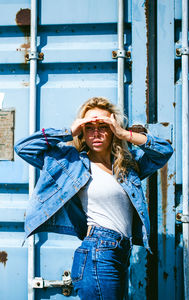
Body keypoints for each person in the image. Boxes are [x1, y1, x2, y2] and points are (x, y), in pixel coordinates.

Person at [15, 97, 173, 300]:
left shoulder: (126, 166)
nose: (96, 133)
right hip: (98, 251)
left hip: (120, 252)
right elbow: (23, 148)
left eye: (103, 126)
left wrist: (124, 133)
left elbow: (163, 151)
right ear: (82, 130)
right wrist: (69, 132)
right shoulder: (70, 163)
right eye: (89, 127)